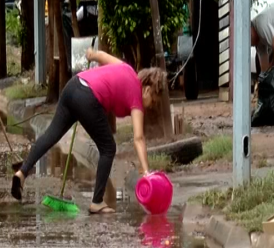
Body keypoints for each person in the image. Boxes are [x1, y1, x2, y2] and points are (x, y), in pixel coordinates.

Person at [11, 48, 162, 214]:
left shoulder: (126, 69)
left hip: (73, 85)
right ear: (147, 90)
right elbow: (138, 137)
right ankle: (97, 202)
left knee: (50, 135)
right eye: (153, 101)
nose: (151, 106)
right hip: (88, 97)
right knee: (108, 148)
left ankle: (22, 173)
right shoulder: (137, 96)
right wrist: (146, 171)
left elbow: (101, 56)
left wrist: (91, 54)